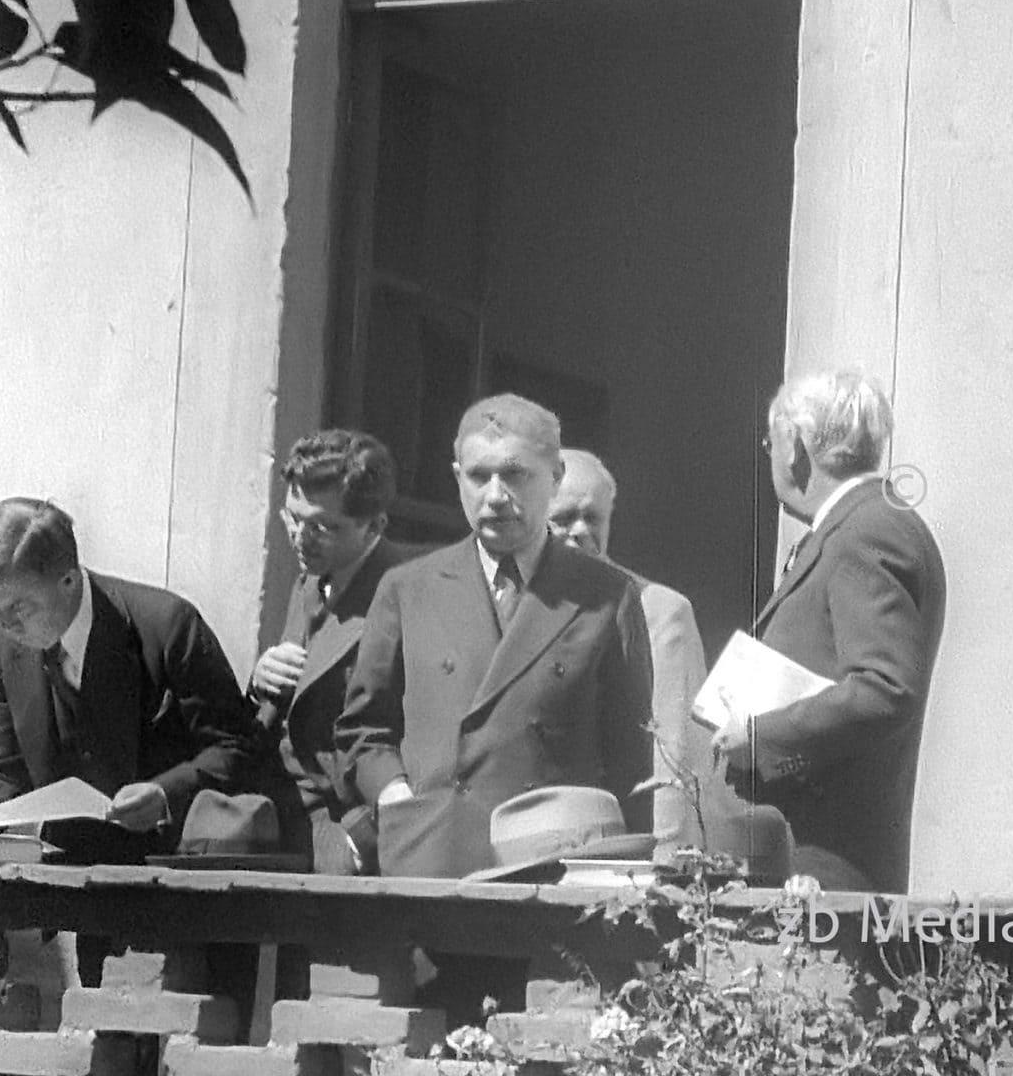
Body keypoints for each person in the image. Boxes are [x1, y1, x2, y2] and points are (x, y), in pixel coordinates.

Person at [337, 394, 654, 880]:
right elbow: (363, 730)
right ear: (457, 476)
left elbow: (631, 758)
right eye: (479, 475)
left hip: (554, 867)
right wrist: (397, 797)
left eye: (516, 474)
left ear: (555, 476)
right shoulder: (408, 589)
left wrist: (627, 883)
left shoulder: (606, 595)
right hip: (432, 859)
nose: (496, 495)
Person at [0, 498, 259, 991]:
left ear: (69, 580)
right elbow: (3, 766)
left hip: (181, 893)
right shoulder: (5, 646)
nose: (6, 625)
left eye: (18, 608)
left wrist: (163, 795)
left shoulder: (167, 624)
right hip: (85, 893)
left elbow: (239, 748)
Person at [711, 370, 946, 893]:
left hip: (823, 871)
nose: (771, 454)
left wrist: (759, 736)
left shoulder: (867, 530)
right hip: (808, 864)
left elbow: (885, 690)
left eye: (772, 441)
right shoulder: (860, 526)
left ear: (794, 444)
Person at [248, 430, 427, 875]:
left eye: (323, 527)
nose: (300, 539)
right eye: (293, 518)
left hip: (350, 835)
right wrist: (260, 681)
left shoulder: (413, 593)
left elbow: (430, 744)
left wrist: (362, 838)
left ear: (375, 525)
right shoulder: (311, 579)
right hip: (289, 818)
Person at [549, 448, 707, 843]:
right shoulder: (513, 605)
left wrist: (664, 861)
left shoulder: (657, 610)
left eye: (593, 518)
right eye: (564, 518)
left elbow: (673, 759)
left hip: (618, 846)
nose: (581, 531)